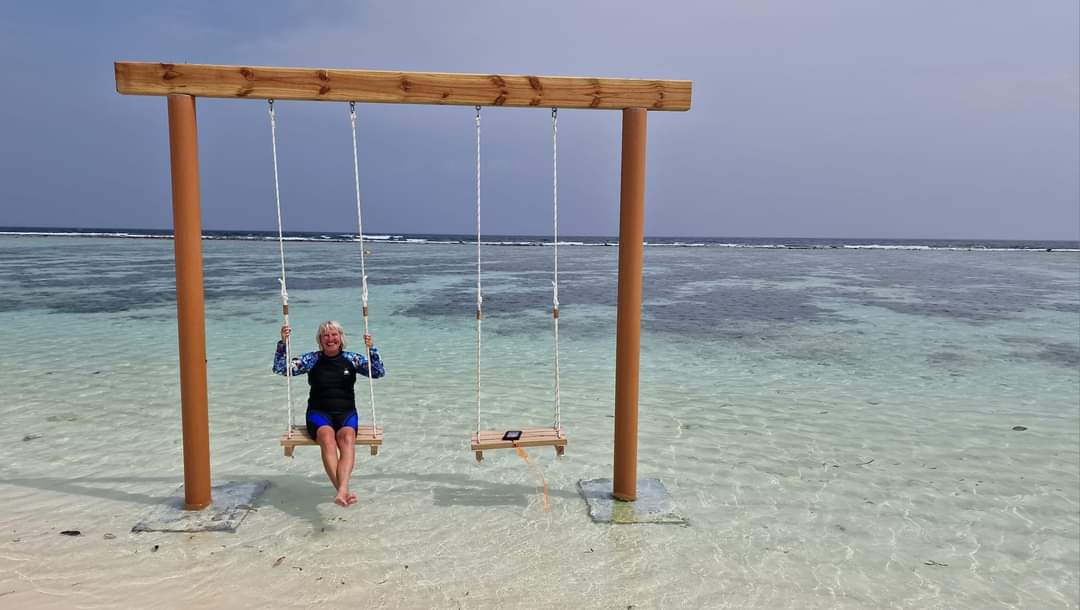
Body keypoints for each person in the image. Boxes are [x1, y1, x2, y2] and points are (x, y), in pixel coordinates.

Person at [273, 321, 385, 507]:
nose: (330, 338)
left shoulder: (352, 359)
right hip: (319, 414)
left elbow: (379, 372)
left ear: (341, 338)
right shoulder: (312, 359)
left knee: (347, 437)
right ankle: (343, 490)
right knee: (327, 437)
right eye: (325, 335)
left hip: (346, 414)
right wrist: (282, 343)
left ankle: (342, 491)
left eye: (334, 334)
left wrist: (371, 349)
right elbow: (281, 368)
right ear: (320, 340)